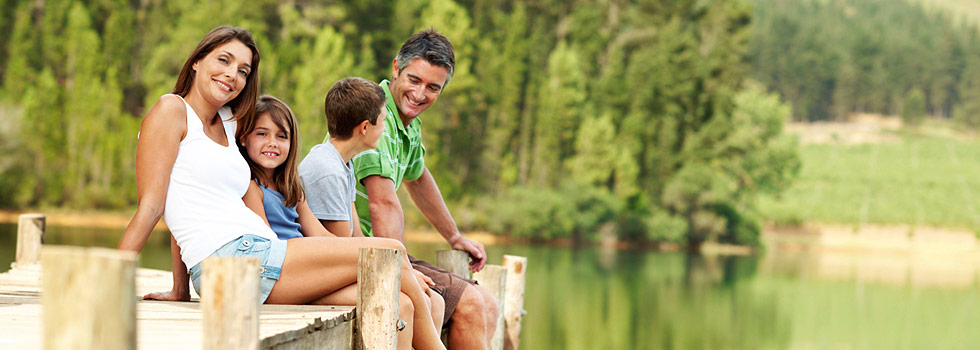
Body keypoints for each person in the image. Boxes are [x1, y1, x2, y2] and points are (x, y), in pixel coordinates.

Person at [118, 26, 446, 350]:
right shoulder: (171, 110)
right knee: (392, 251)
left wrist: (179, 289)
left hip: (259, 255)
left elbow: (188, 201)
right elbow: (153, 206)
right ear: (196, 61)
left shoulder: (229, 123)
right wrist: (109, 283)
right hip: (235, 262)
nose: (232, 74)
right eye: (223, 60)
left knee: (398, 300)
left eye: (243, 70)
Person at [352, 28, 499, 349]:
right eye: (414, 80)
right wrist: (401, 273)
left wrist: (454, 236)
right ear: (395, 69)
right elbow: (382, 204)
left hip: (382, 250)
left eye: (433, 87)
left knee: (487, 303)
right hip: (358, 252)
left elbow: (418, 177)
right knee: (472, 305)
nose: (420, 94)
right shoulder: (375, 114)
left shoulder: (408, 123)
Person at [298, 78, 447, 328]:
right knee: (403, 300)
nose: (385, 126)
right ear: (365, 128)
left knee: (432, 298)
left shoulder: (343, 165)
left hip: (336, 267)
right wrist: (399, 272)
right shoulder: (327, 169)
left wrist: (405, 272)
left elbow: (356, 237)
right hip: (317, 275)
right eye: (383, 120)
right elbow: (340, 250)